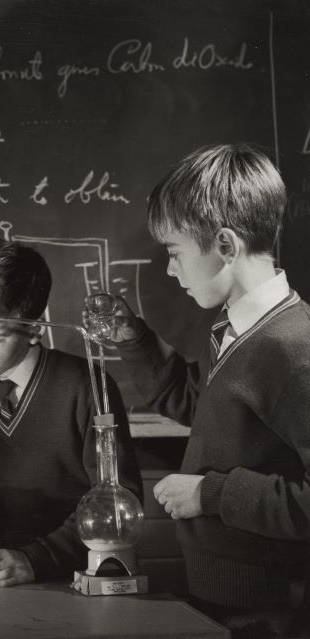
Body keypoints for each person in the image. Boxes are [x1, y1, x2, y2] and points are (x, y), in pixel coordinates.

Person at [93, 144, 309, 637]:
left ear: (227, 246)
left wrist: (211, 494)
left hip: (270, 613)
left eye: (175, 253)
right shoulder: (234, 327)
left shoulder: (294, 351)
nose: (171, 270)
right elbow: (199, 404)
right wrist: (134, 337)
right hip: (223, 599)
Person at [0, 238, 142, 588]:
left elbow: (117, 503)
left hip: (77, 584)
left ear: (35, 329)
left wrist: (35, 559)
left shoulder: (87, 388)